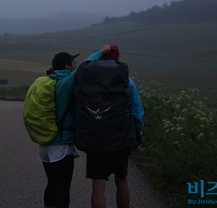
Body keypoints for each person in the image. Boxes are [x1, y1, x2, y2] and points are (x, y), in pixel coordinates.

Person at [40, 44, 111, 208]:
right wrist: (100, 52)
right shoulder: (65, 82)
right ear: (67, 66)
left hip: (45, 144)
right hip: (61, 145)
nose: (75, 65)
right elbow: (85, 67)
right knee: (63, 189)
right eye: (73, 62)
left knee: (52, 184)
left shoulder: (50, 81)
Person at [85, 45, 144, 208]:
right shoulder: (127, 81)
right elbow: (136, 111)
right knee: (122, 180)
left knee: (98, 187)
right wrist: (137, 135)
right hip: (121, 137)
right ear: (118, 58)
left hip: (95, 137)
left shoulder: (89, 81)